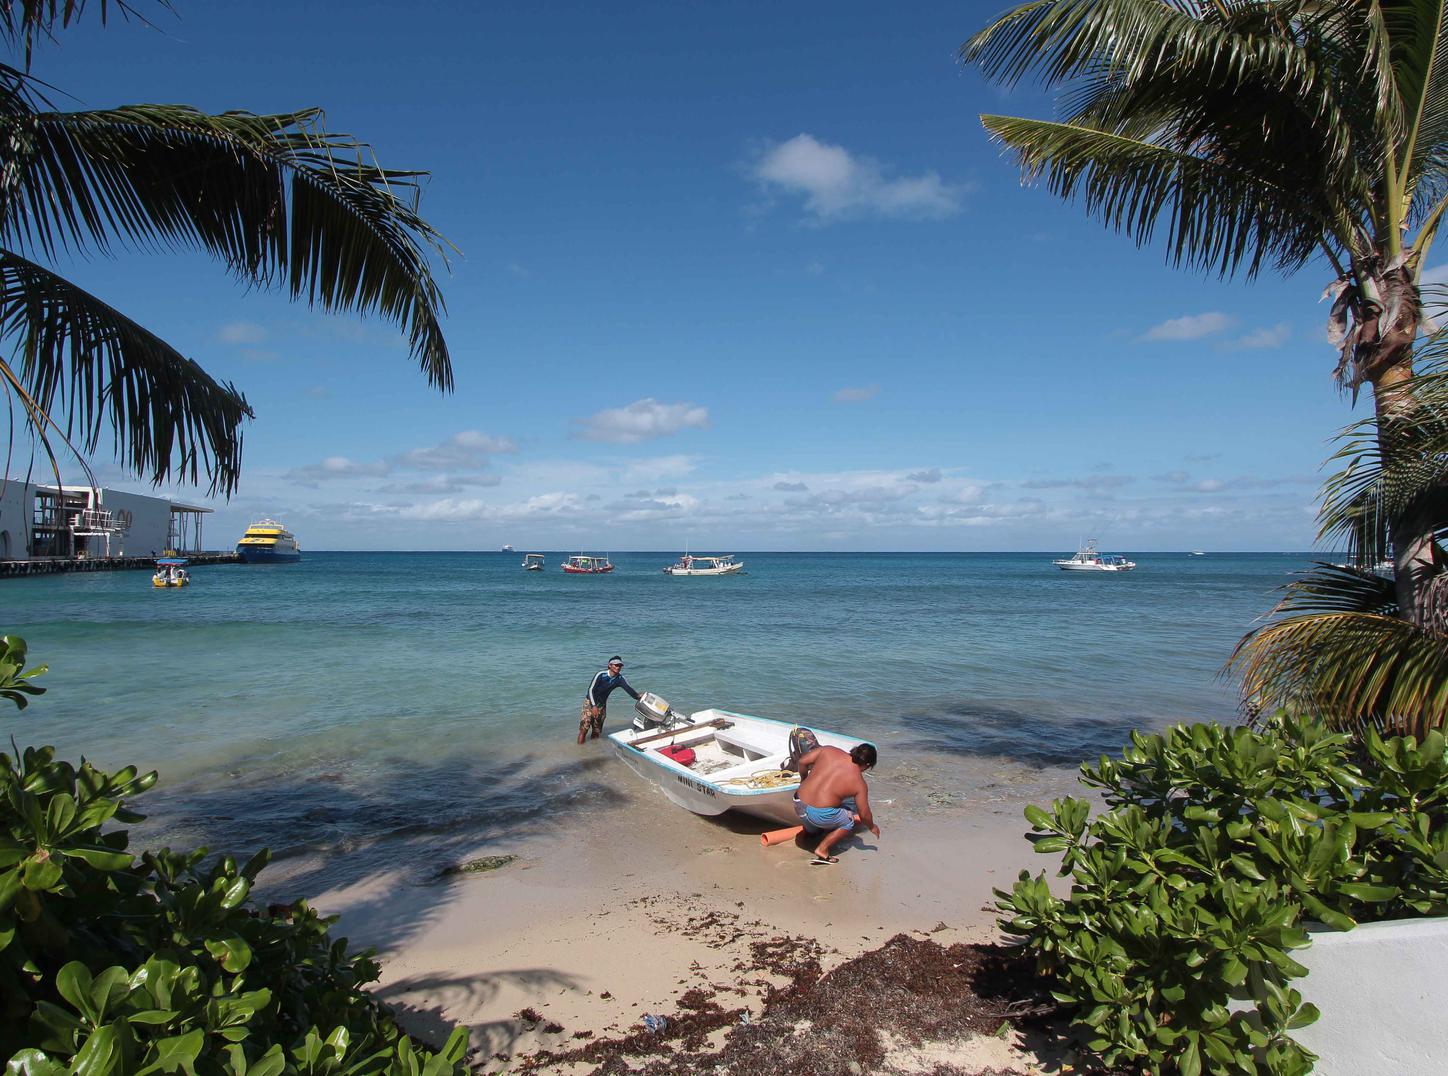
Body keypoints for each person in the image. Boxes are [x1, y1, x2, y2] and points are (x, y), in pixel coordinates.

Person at [792, 742, 879, 864]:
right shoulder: (859, 783)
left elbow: (802, 762)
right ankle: (822, 849)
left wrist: (804, 780)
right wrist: (872, 826)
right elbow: (864, 814)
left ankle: (811, 832)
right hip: (817, 814)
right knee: (849, 819)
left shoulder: (828, 750)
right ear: (867, 765)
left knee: (827, 811)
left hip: (798, 802)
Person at [578, 656, 641, 744]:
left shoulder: (620, 679)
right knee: (584, 728)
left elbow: (630, 690)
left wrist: (639, 697)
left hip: (602, 705)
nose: (618, 667)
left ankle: (593, 749)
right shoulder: (601, 675)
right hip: (590, 703)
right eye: (616, 665)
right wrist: (594, 706)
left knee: (596, 731)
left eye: (620, 666)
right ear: (610, 665)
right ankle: (580, 750)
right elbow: (590, 690)